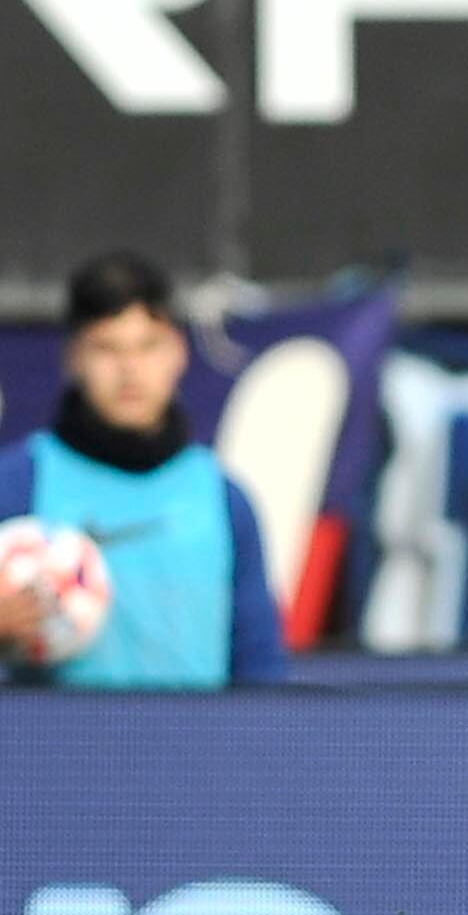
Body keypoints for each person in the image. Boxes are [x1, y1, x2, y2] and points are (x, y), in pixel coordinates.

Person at [0, 252, 284, 688]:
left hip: (199, 753)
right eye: (107, 348)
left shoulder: (225, 499)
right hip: (54, 751)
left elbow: (260, 669)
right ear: (73, 358)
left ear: (177, 353)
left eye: (147, 345)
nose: (129, 369)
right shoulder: (18, 483)